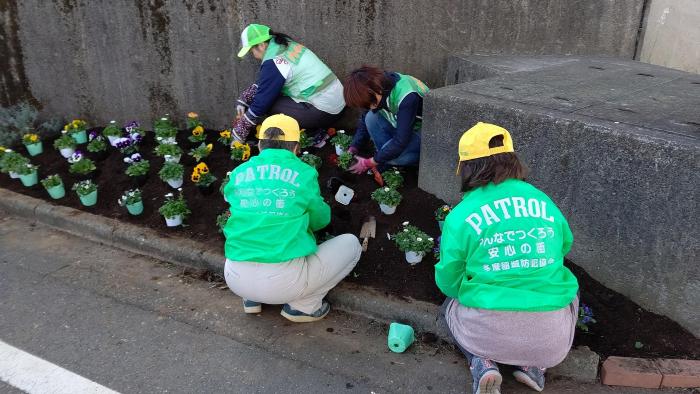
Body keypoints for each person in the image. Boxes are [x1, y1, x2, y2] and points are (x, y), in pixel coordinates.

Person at [435, 122, 579, 393]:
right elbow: (563, 247)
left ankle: (482, 363)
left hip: (485, 334)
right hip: (550, 344)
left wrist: (466, 287)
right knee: (570, 287)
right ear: (513, 160)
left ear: (467, 168)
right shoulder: (542, 200)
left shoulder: (462, 214)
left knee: (449, 305)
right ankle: (533, 367)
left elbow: (449, 279)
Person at [222, 114, 362, 322]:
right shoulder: (303, 173)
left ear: (260, 145)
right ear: (296, 148)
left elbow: (233, 204)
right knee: (351, 245)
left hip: (235, 277)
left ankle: (251, 298)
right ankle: (303, 307)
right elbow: (320, 221)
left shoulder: (239, 172)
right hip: (282, 282)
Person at [232, 24, 345, 143]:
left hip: (325, 111)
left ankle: (313, 134)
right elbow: (267, 83)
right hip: (339, 103)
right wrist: (244, 99)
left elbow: (262, 102)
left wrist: (239, 131)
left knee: (269, 105)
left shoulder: (275, 61)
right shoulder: (286, 45)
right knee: (270, 95)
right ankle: (316, 130)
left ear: (261, 45)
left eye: (251, 51)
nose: (254, 56)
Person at [343, 65, 428, 174]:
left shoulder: (407, 96)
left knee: (394, 157)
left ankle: (413, 162)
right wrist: (354, 147)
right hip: (403, 126)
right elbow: (364, 118)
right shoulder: (376, 87)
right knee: (370, 117)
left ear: (375, 89)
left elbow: (400, 141)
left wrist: (370, 162)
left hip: (425, 132)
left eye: (370, 103)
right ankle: (385, 159)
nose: (370, 106)